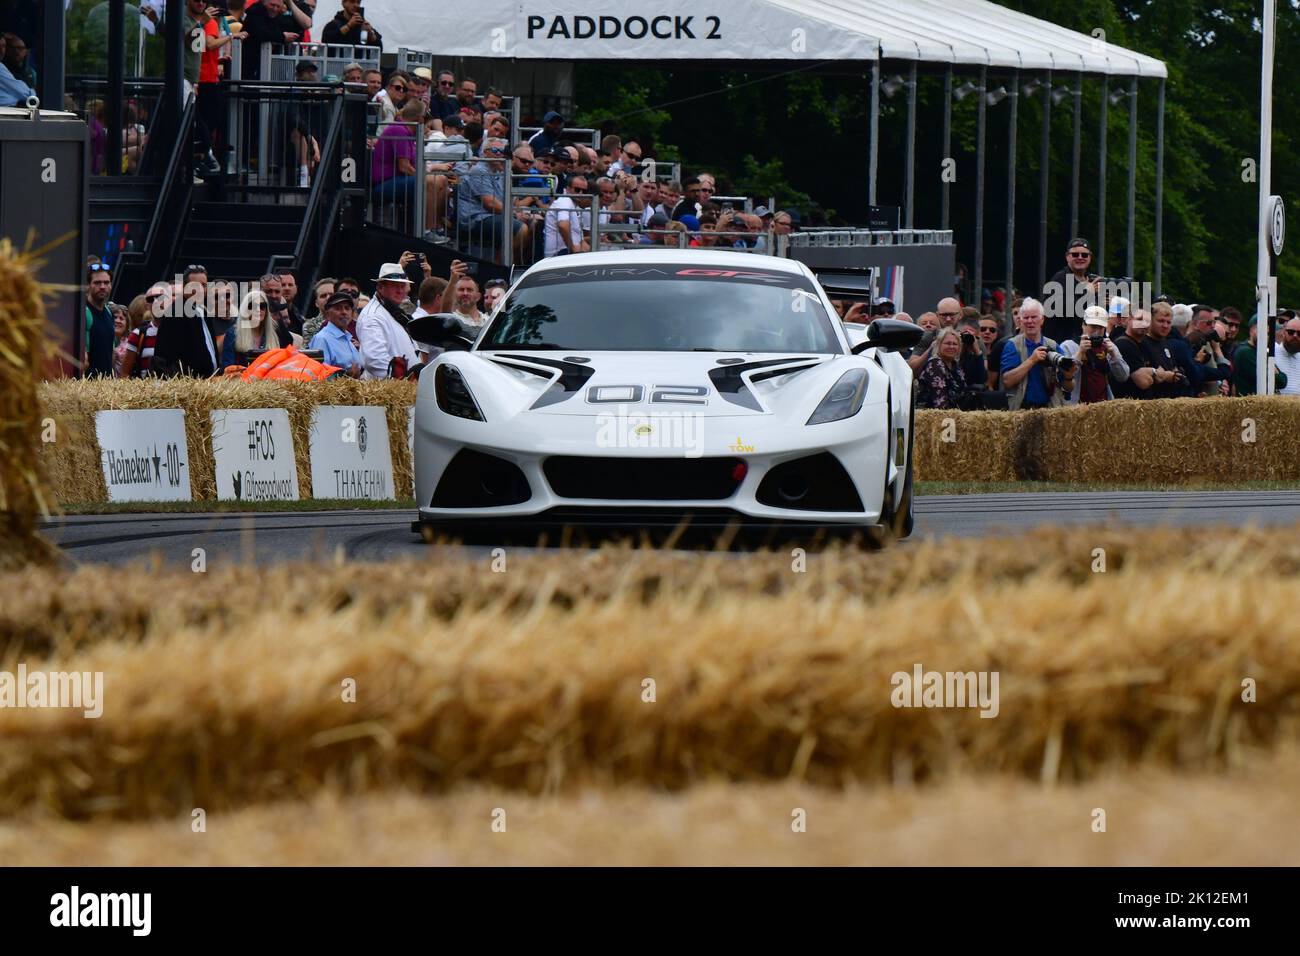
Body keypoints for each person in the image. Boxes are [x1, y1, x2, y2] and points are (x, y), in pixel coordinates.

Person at [1000, 297, 1072, 410]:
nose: (1030, 321)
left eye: (1034, 317)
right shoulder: (1013, 345)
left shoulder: (1052, 345)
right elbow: (1007, 381)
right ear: (1021, 321)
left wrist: (1069, 376)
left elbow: (1069, 388)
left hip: (1050, 410)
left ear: (1042, 319)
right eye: (1026, 317)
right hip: (1022, 410)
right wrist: (1032, 360)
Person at [355, 263, 418, 379]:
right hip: (389, 392)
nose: (400, 290)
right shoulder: (372, 316)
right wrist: (404, 380)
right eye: (394, 285)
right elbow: (374, 360)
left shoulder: (396, 309)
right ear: (380, 287)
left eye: (403, 286)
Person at [1059, 306, 1130, 404]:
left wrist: (1114, 355)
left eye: (1100, 327)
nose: (1096, 331)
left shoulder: (1108, 346)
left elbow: (1123, 376)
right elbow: (1063, 379)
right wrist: (1080, 353)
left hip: (1103, 406)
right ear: (1083, 325)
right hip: (1076, 407)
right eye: (1093, 326)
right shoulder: (1068, 346)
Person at [1041, 237, 1102, 344]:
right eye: (1075, 254)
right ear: (1067, 257)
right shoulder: (1059, 279)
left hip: (1086, 343)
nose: (1080, 257)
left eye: (1084, 255)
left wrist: (1105, 304)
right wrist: (1086, 294)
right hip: (1062, 344)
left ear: (1090, 257)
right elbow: (1056, 311)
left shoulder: (1093, 280)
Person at [221, 291, 282, 369]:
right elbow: (227, 368)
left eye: (262, 306)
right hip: (241, 379)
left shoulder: (275, 332)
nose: (258, 309)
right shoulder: (233, 333)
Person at [309, 292, 363, 377]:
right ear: (328, 314)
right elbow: (318, 376)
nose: (344, 312)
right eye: (338, 308)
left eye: (347, 308)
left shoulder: (348, 339)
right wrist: (347, 375)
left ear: (352, 313)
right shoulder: (322, 339)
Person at [1232, 315, 1288, 395]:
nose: (1266, 336)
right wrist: (1275, 373)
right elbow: (1276, 381)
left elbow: (1283, 380)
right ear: (1251, 330)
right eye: (1263, 330)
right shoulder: (1245, 352)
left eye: (1269, 333)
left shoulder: (1262, 352)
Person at [916, 328, 971, 410]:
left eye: (955, 344)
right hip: (934, 416)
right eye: (948, 343)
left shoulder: (956, 365)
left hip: (956, 413)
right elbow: (940, 404)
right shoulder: (935, 364)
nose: (951, 347)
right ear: (939, 344)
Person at [83, 263, 115, 377]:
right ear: (88, 285)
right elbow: (83, 361)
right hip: (88, 387)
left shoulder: (109, 312)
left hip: (106, 387)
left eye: (106, 283)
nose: (102, 286)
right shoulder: (84, 313)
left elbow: (111, 353)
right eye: (97, 283)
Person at [300, 277, 337, 346]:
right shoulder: (310, 325)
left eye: (332, 294)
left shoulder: (349, 322)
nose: (328, 298)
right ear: (316, 303)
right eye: (323, 296)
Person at [1274, 315, 1300, 396]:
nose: (1295, 336)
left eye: (1299, 333)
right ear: (1283, 333)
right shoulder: (1272, 352)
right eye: (1291, 332)